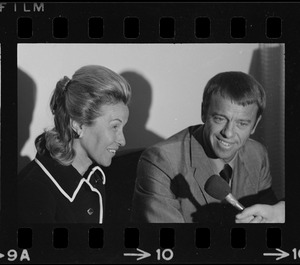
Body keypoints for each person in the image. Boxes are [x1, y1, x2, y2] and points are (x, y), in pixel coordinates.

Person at [131, 71, 278, 223]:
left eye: (242, 123)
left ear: (255, 124)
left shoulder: (257, 153)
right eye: (220, 119)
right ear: (203, 112)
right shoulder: (161, 161)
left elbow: (270, 216)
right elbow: (168, 239)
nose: (228, 133)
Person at [18, 65, 131, 223]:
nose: (122, 141)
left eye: (122, 127)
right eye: (114, 126)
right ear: (77, 125)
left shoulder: (95, 178)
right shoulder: (33, 192)